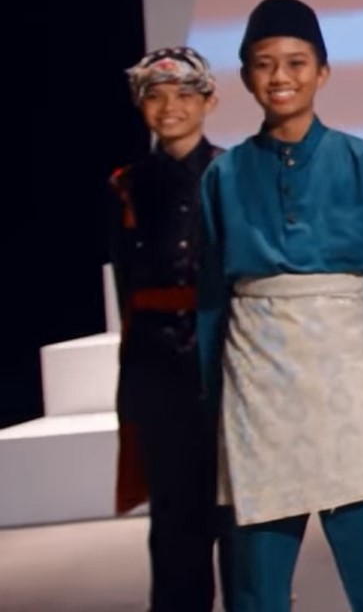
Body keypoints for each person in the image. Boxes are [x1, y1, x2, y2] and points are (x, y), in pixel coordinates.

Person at [198, 0, 363, 612]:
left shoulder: (361, 160)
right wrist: (211, 389)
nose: (280, 77)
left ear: (322, 72)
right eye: (264, 64)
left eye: (296, 63)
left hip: (346, 363)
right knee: (256, 571)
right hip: (256, 370)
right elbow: (211, 294)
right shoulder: (224, 174)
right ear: (246, 77)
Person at [109, 47, 233, 611]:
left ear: (209, 101)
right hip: (158, 372)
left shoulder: (232, 173)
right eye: (155, 96)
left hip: (228, 365)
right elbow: (127, 290)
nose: (170, 108)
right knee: (175, 524)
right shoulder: (126, 185)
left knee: (240, 520)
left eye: (184, 94)